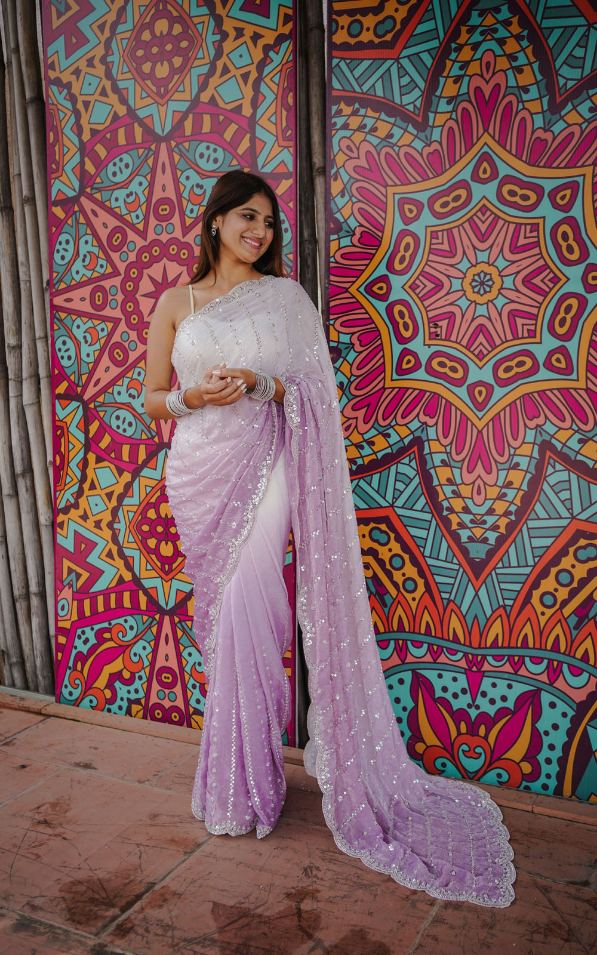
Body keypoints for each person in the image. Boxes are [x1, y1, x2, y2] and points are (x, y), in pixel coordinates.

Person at [143, 169, 516, 907]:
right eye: (246, 217)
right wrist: (192, 395)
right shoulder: (175, 303)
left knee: (254, 609)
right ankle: (238, 780)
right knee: (222, 623)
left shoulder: (285, 299)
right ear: (215, 221)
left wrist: (256, 385)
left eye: (268, 223)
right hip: (196, 472)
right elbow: (154, 394)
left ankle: (247, 790)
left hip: (267, 463)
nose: (260, 231)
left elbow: (313, 387)